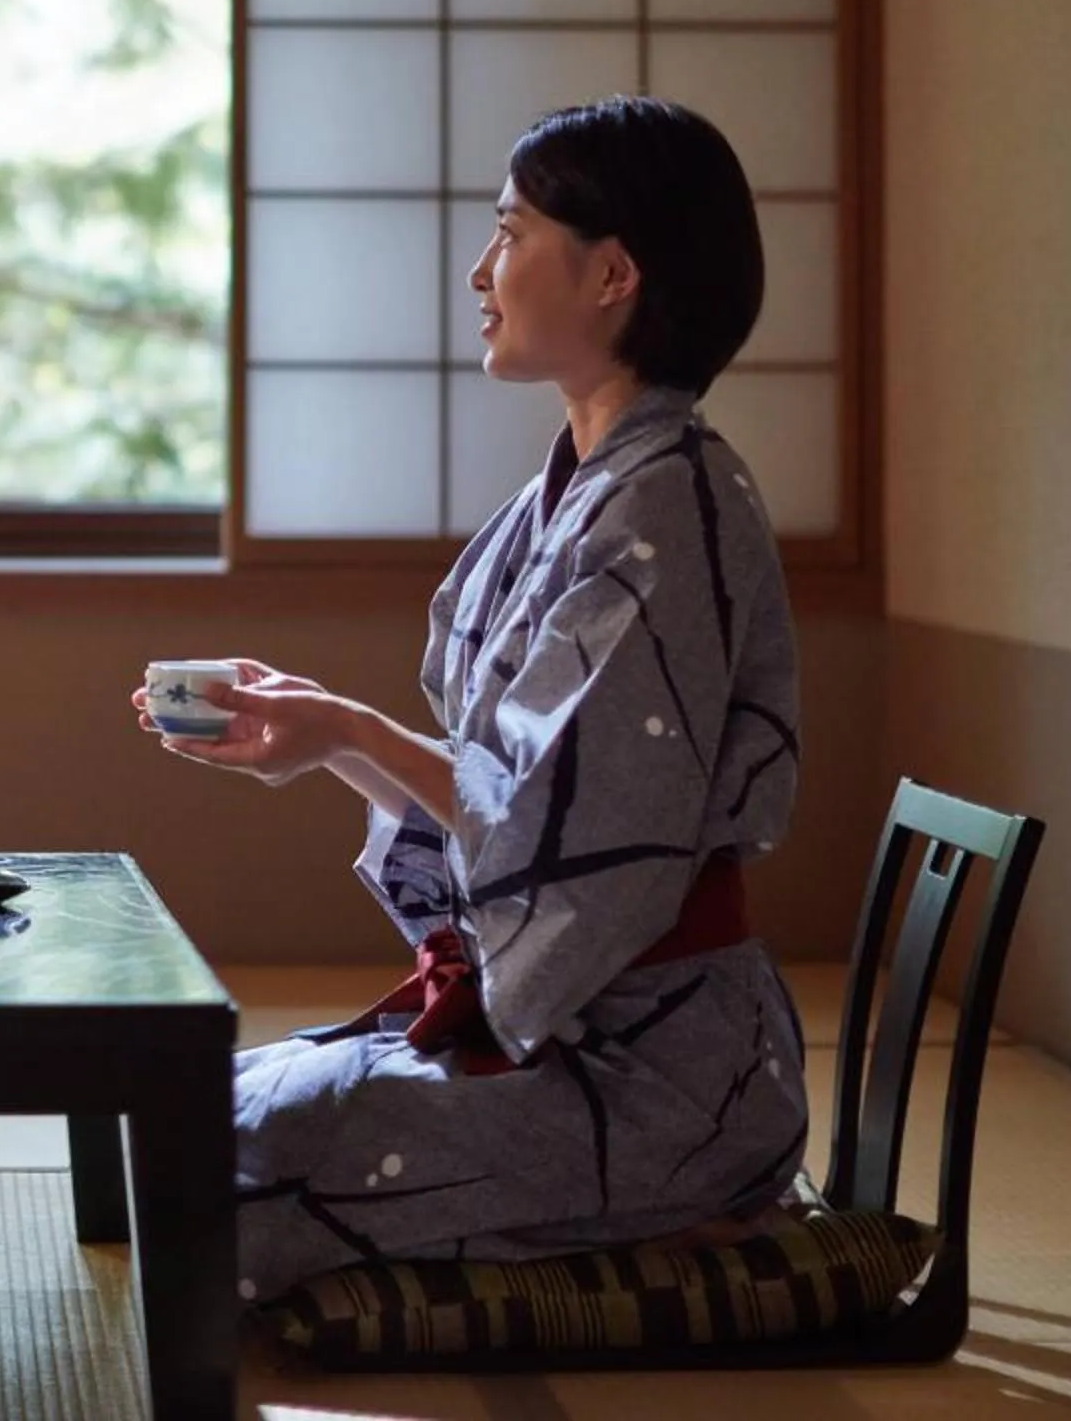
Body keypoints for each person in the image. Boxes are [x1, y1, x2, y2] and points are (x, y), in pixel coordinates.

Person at [138, 96, 807, 1305]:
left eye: (511, 232)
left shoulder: (669, 500)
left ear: (612, 274)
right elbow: (514, 789)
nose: (480, 270)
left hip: (658, 1069)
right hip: (585, 1024)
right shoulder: (591, 490)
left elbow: (573, 820)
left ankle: (683, 1205)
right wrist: (325, 733)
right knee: (193, 1106)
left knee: (243, 1161)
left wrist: (351, 730)